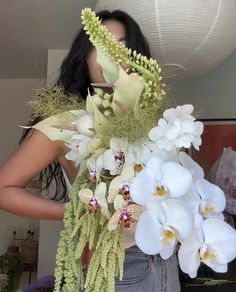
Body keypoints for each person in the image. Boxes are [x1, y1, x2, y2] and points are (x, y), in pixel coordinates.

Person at [0, 9, 180, 292]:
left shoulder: (156, 122)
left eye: (122, 44)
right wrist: (73, 210)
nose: (112, 54)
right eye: (101, 45)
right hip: (115, 266)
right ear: (84, 57)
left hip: (168, 261)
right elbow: (4, 188)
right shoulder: (67, 123)